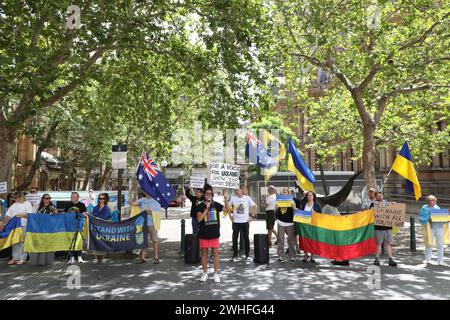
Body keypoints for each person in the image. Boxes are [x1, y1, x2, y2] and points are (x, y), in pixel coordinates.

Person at [197, 185, 224, 283]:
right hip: (203, 233)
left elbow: (227, 210)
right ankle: (205, 273)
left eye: (211, 194)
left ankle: (216, 273)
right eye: (207, 194)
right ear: (204, 195)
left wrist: (225, 198)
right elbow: (199, 219)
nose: (209, 195)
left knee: (215, 253)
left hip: (214, 233)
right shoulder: (200, 206)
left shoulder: (216, 204)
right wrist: (207, 209)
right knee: (204, 253)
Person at [224, 185, 257, 261]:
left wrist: (252, 216)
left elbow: (255, 206)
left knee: (246, 238)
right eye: (235, 190)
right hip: (235, 222)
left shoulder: (247, 198)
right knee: (234, 238)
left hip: (245, 222)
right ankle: (235, 255)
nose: (236, 191)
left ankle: (247, 254)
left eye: (237, 190)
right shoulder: (233, 198)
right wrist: (229, 215)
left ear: (242, 190)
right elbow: (227, 208)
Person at [0, 192, 32, 265]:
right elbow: (8, 216)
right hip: (14, 226)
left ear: (20, 197)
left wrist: (19, 215)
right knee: (14, 241)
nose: (14, 199)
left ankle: (22, 258)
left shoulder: (27, 204)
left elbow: (29, 215)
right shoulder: (13, 205)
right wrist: (2, 223)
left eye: (15, 198)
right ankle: (15, 257)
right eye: (14, 198)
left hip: (23, 225)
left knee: (22, 242)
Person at [130, 192, 161, 264]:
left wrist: (150, 212)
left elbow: (158, 213)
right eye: (146, 191)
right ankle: (142, 257)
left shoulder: (156, 201)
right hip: (142, 224)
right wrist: (130, 195)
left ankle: (156, 257)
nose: (148, 193)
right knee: (143, 241)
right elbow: (132, 203)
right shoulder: (142, 200)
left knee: (154, 240)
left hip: (152, 224)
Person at [29, 194, 58, 266]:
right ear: (43, 199)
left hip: (50, 229)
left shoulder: (53, 207)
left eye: (49, 198)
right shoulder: (38, 207)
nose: (48, 199)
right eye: (46, 198)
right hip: (40, 229)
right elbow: (34, 217)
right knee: (40, 244)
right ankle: (40, 261)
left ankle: (49, 261)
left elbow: (57, 217)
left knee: (49, 244)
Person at [370, 192, 397, 267]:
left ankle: (391, 259)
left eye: (381, 195)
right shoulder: (373, 204)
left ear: (383, 196)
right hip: (378, 228)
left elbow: (394, 211)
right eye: (378, 196)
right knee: (378, 243)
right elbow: (371, 214)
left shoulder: (387, 203)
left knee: (388, 243)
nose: (380, 197)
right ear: (376, 197)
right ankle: (377, 259)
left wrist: (394, 205)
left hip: (387, 227)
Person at [419, 195, 448, 265]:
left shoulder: (437, 207)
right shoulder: (424, 208)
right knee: (429, 243)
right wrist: (429, 218)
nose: (432, 202)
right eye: (430, 200)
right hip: (429, 227)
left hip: (439, 227)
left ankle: (440, 260)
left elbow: (443, 219)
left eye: (434, 200)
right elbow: (421, 217)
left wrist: (446, 218)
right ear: (428, 201)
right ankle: (427, 259)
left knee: (440, 244)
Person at [64, 192, 87, 264]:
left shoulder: (82, 205)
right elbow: (64, 215)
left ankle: (80, 257)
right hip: (69, 227)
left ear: (78, 197)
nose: (73, 198)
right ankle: (71, 258)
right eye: (72, 197)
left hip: (79, 226)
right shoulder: (68, 205)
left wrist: (83, 214)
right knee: (70, 242)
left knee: (79, 241)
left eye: (74, 196)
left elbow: (85, 215)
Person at [275, 187, 297, 262]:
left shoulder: (292, 201)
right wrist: (276, 208)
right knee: (280, 240)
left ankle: (292, 256)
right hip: (281, 222)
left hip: (290, 223)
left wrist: (294, 207)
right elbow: (275, 211)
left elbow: (295, 211)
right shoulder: (278, 201)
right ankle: (281, 255)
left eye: (286, 192)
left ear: (288, 193)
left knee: (291, 240)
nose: (285, 193)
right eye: (283, 192)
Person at [300, 191, 322, 263]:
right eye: (308, 195)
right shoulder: (303, 204)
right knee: (304, 241)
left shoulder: (316, 205)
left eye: (311, 195)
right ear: (307, 197)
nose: (309, 197)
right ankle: (306, 255)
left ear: (313, 196)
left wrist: (316, 214)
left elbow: (321, 215)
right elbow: (300, 213)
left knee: (312, 241)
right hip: (304, 226)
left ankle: (312, 256)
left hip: (313, 226)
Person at [92, 193, 111, 264]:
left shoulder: (107, 208)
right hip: (96, 227)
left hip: (104, 227)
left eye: (103, 198)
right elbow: (93, 216)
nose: (101, 200)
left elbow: (106, 217)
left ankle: (103, 258)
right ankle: (96, 258)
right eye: (100, 198)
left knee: (103, 242)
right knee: (95, 242)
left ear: (105, 199)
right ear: (98, 199)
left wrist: (98, 218)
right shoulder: (95, 208)